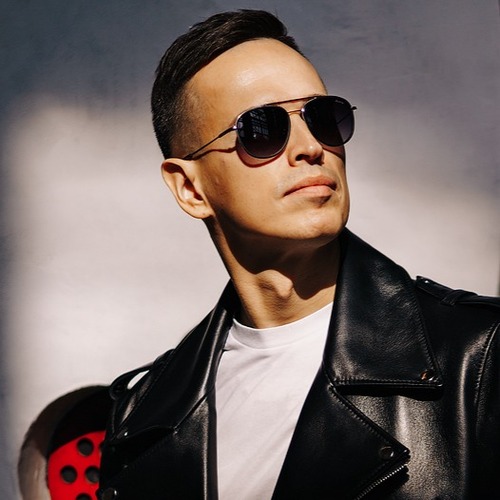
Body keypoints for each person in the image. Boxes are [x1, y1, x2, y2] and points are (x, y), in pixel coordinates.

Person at [97, 9, 500, 500]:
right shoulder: (141, 417)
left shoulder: (480, 358)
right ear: (190, 188)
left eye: (323, 118)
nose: (311, 147)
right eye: (261, 128)